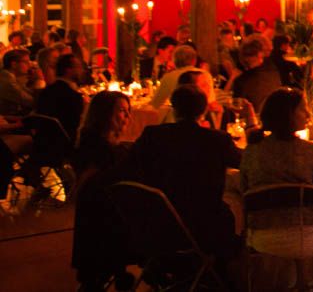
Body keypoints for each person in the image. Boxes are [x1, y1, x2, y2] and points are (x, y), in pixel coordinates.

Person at [127, 85, 242, 259]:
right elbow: (245, 163)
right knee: (234, 204)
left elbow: (132, 164)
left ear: (174, 108)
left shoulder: (152, 135)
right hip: (204, 224)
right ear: (204, 110)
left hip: (156, 221)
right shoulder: (217, 140)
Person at [241, 88, 313, 272]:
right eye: (302, 109)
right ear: (287, 115)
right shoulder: (311, 151)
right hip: (308, 237)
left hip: (263, 236)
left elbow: (244, 190)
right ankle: (311, 278)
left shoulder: (252, 151)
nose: (307, 113)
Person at [71, 91, 133, 289]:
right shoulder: (106, 151)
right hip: (107, 220)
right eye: (122, 111)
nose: (127, 117)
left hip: (91, 220)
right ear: (104, 114)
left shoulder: (88, 140)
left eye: (128, 112)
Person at [35, 53, 87, 143]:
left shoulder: (45, 91)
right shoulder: (72, 96)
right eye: (78, 67)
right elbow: (77, 127)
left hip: (44, 143)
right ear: (68, 70)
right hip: (64, 145)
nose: (82, 70)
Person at [231, 36, 283, 112]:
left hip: (254, 119)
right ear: (260, 54)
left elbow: (237, 107)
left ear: (243, 58)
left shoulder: (241, 81)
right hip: (277, 114)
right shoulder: (274, 70)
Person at [150, 44, 199, 109]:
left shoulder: (169, 77)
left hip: (177, 117)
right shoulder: (205, 74)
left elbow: (155, 104)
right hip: (201, 118)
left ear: (174, 60)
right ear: (194, 60)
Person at [0, 49, 34, 116]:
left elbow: (30, 93)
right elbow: (32, 102)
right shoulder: (7, 81)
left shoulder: (8, 76)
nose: (30, 65)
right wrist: (40, 80)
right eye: (26, 62)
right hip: (9, 120)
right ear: (14, 64)